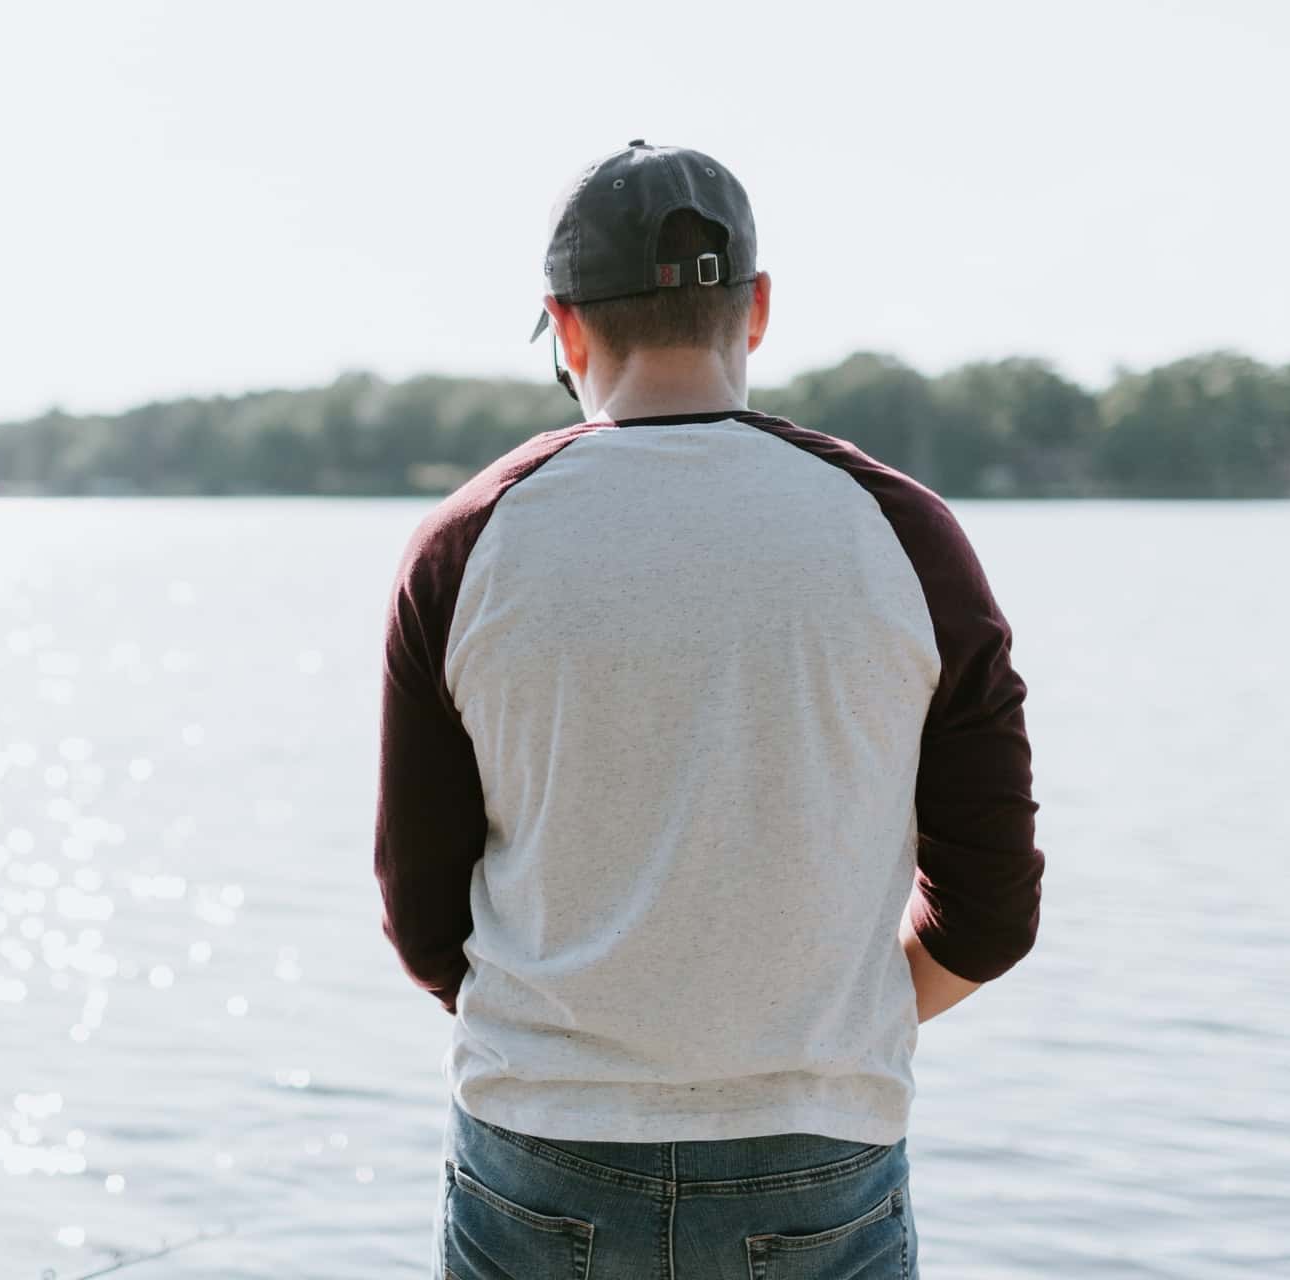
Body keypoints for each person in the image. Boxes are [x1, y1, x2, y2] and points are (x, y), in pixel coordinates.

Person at [375, 142, 1044, 1279]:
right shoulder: (905, 535)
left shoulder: (466, 544)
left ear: (565, 328)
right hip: (820, 1151)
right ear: (758, 307)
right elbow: (992, 910)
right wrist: (826, 1029)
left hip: (540, 1151)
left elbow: (424, 915)